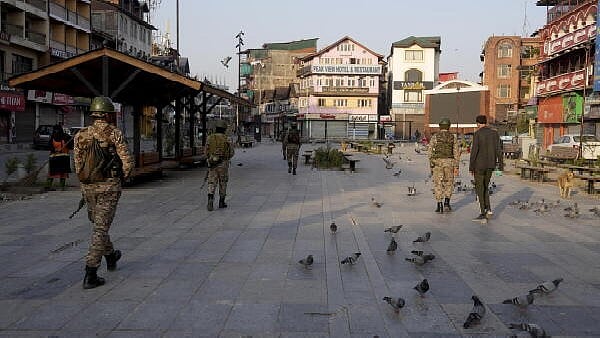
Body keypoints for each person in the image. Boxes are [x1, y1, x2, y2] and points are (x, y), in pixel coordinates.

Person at [74, 96, 134, 289]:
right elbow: (127, 161)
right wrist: (122, 178)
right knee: (101, 228)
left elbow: (77, 165)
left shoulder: (80, 135)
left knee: (100, 225)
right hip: (109, 187)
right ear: (108, 114)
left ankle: (111, 256)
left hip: (88, 187)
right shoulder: (114, 133)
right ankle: (91, 272)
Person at [469, 115, 503, 223]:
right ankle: (488, 209)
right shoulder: (494, 133)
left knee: (480, 188)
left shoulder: (477, 134)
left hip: (479, 166)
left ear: (478, 123)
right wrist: (500, 165)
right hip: (490, 165)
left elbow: (474, 151)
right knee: (486, 186)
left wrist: (471, 166)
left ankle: (483, 213)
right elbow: (499, 150)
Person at [428, 117, 460, 213]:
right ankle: (447, 202)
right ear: (449, 126)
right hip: (449, 163)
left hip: (437, 163)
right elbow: (456, 152)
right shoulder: (452, 137)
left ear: (440, 126)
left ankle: (439, 205)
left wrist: (431, 163)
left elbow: (430, 151)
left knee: (438, 183)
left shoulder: (435, 137)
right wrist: (456, 165)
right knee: (449, 182)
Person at [205, 119, 234, 211]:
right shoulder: (227, 139)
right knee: (223, 182)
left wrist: (210, 159)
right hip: (223, 164)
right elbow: (231, 153)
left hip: (212, 163)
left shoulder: (209, 138)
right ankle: (221, 202)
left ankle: (210, 199)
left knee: (211, 182)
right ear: (224, 129)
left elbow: (206, 151)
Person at [46, 125, 72, 191]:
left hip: (64, 157)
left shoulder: (66, 137)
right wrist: (54, 150)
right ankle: (48, 186)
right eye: (55, 130)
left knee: (63, 173)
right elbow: (49, 146)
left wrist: (68, 144)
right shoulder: (53, 137)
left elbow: (71, 145)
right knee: (52, 172)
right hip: (54, 157)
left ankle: (62, 187)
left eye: (57, 130)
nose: (56, 131)